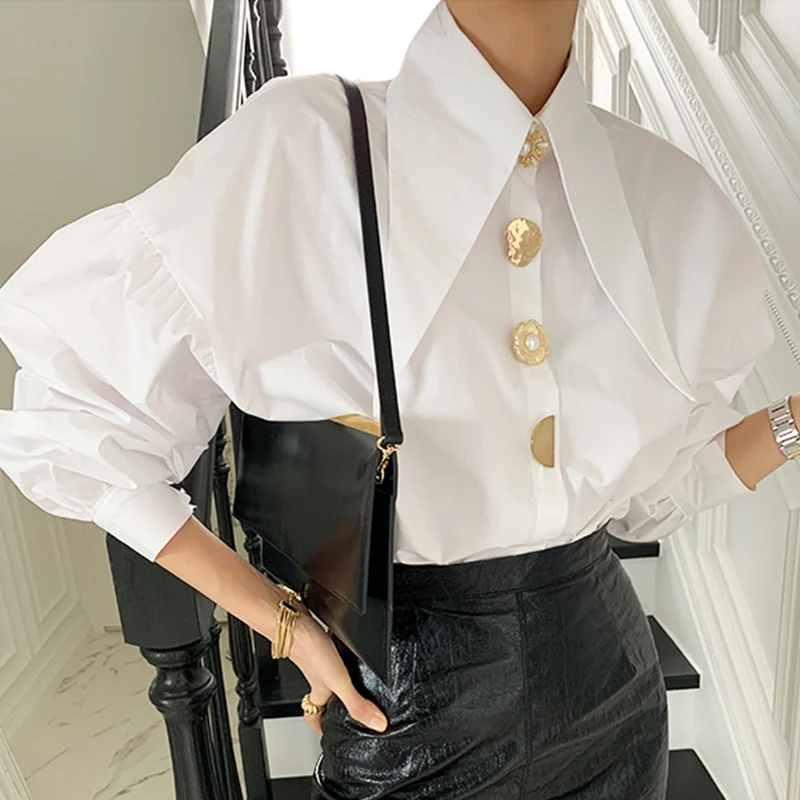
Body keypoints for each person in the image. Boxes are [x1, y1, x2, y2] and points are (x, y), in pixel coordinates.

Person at [0, 0, 793, 797]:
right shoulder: (311, 147)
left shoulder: (669, 197)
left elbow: (651, 499)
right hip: (406, 706)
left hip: (612, 690)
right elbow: (78, 422)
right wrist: (282, 621)